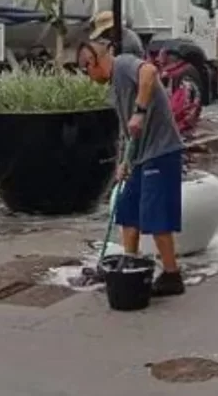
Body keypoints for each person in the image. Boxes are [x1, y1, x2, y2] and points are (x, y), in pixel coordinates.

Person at [77, 40, 186, 296]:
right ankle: (129, 262)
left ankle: (172, 276)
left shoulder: (123, 64)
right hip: (140, 157)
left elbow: (149, 71)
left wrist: (140, 111)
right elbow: (127, 131)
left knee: (156, 216)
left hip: (161, 151)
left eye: (86, 71)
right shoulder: (113, 87)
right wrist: (124, 163)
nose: (89, 78)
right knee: (127, 211)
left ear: (94, 62)